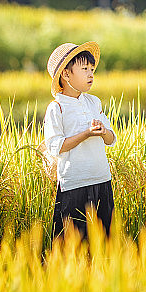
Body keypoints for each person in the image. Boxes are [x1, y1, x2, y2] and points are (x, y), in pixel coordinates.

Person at [43, 41, 116, 244]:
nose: (91, 74)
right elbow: (55, 146)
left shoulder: (94, 102)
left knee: (105, 242)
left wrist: (102, 132)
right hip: (74, 183)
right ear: (66, 74)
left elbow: (111, 139)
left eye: (92, 69)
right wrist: (86, 134)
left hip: (101, 179)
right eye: (84, 69)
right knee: (72, 244)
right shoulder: (57, 108)